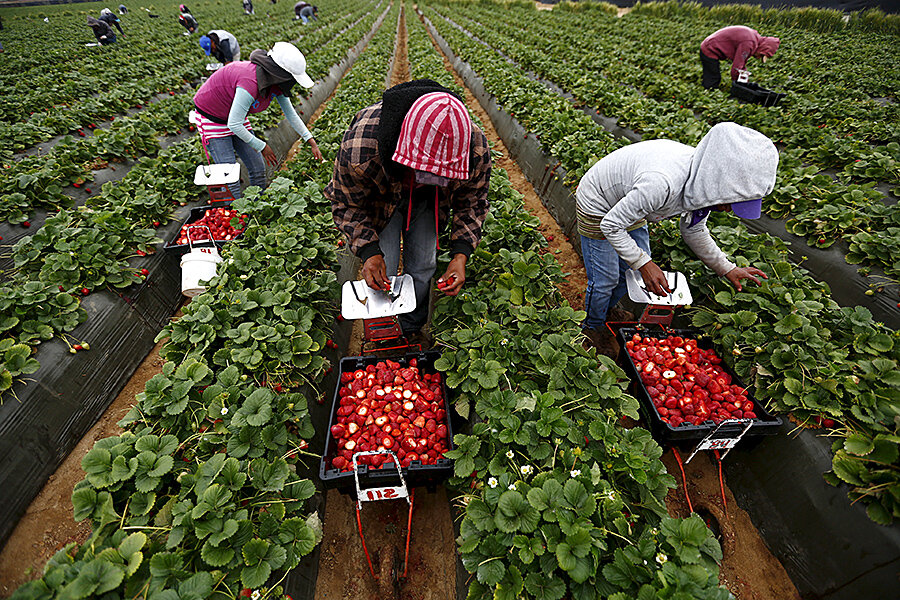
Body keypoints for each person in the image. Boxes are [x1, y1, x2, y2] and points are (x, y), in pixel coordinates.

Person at [575, 122, 777, 352]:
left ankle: (608, 309)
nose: (730, 209)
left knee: (631, 272)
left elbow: (694, 230)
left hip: (631, 205)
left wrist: (727, 268)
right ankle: (593, 325)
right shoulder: (662, 183)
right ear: (719, 184)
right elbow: (611, 225)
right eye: (732, 201)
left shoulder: (703, 183)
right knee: (606, 279)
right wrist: (644, 264)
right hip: (599, 203)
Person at [327, 80, 492, 340]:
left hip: (430, 200)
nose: (426, 177)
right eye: (422, 172)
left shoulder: (474, 148)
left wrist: (461, 254)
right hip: (381, 195)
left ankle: (411, 327)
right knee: (385, 265)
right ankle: (383, 330)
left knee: (425, 264)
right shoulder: (362, 146)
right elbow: (345, 202)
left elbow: (472, 201)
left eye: (438, 174)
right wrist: (369, 251)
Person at [192, 42, 323, 198]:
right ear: (280, 74)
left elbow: (291, 114)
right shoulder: (250, 82)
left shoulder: (273, 84)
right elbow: (234, 124)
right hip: (212, 118)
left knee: (257, 168)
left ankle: (257, 208)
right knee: (229, 176)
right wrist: (262, 146)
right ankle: (235, 217)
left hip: (235, 118)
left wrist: (311, 141)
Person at [700, 26, 780, 90]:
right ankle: (708, 93)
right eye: (761, 55)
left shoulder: (754, 39)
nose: (758, 57)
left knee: (711, 73)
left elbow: (741, 63)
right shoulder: (749, 43)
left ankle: (707, 85)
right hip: (710, 47)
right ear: (762, 48)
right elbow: (737, 68)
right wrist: (739, 86)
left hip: (712, 43)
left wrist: (744, 80)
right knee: (713, 79)